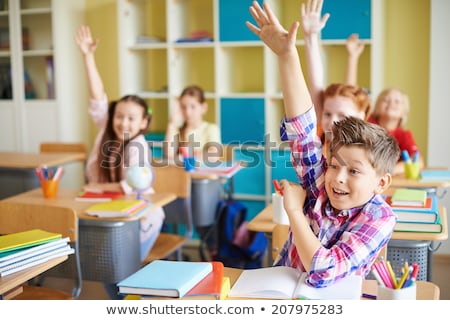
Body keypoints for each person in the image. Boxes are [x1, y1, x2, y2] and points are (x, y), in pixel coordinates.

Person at [246, 1, 400, 287]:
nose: (337, 178)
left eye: (354, 171)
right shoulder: (321, 184)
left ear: (381, 183)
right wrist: (287, 56)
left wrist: (294, 212)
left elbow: (322, 272)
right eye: (333, 165)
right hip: (280, 291)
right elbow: (302, 132)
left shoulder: (380, 217)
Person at [75, 25, 165, 298]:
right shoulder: (106, 129)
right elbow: (98, 97)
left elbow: (130, 185)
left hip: (139, 216)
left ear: (143, 123)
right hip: (104, 211)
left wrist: (100, 189)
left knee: (119, 273)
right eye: (119, 115)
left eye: (131, 118)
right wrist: (88, 57)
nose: (123, 122)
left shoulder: (137, 144)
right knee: (109, 272)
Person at [299, 0, 371, 141]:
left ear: (361, 117)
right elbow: (316, 84)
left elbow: (350, 97)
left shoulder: (364, 147)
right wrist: (310, 37)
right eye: (327, 114)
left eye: (342, 115)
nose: (332, 122)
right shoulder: (323, 136)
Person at [368, 87, 423, 175]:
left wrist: (390, 170)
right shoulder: (367, 125)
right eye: (385, 100)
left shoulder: (404, 136)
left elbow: (419, 162)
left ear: (403, 112)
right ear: (377, 108)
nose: (391, 103)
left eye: (397, 101)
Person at [164, 85, 222, 164]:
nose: (187, 112)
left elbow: (213, 155)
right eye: (183, 107)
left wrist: (183, 157)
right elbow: (169, 156)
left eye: (193, 107)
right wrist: (172, 123)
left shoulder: (211, 129)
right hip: (183, 175)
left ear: (204, 108)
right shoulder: (177, 130)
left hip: (204, 175)